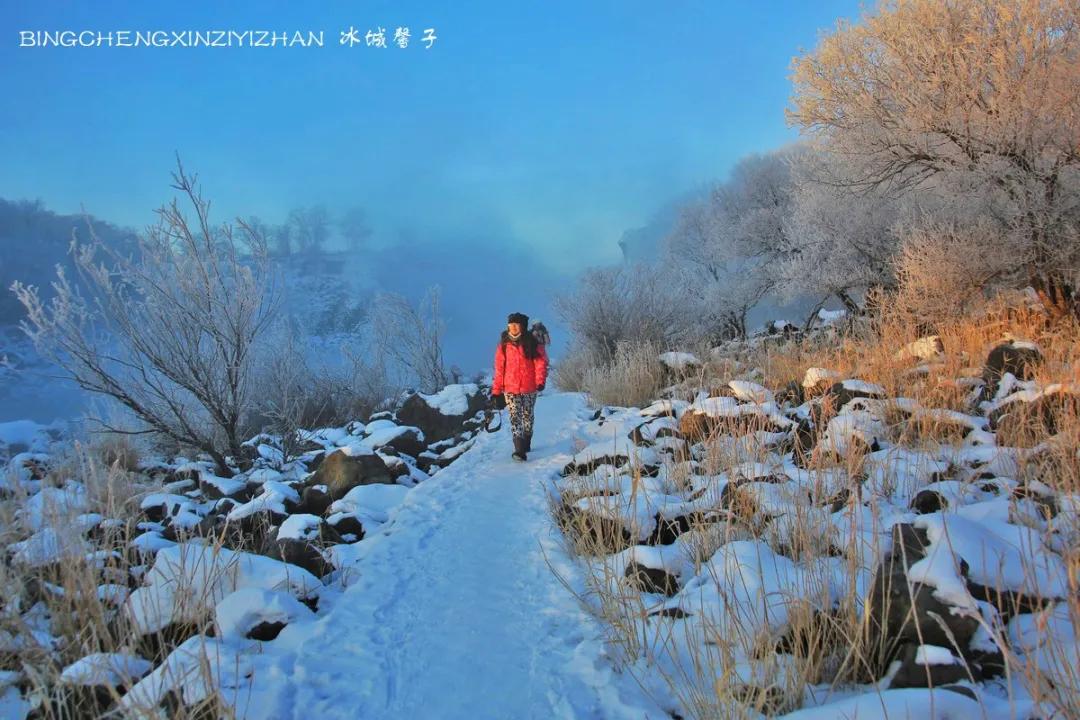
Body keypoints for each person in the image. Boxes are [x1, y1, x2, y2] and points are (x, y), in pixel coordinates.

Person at [491, 312, 548, 461]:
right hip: (510, 389)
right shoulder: (503, 345)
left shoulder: (532, 343)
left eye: (516, 325)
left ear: (522, 326)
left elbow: (540, 363)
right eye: (511, 325)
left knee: (527, 416)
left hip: (529, 388)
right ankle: (519, 450)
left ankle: (526, 441)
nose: (513, 328)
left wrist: (540, 381)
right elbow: (499, 369)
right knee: (515, 417)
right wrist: (496, 391)